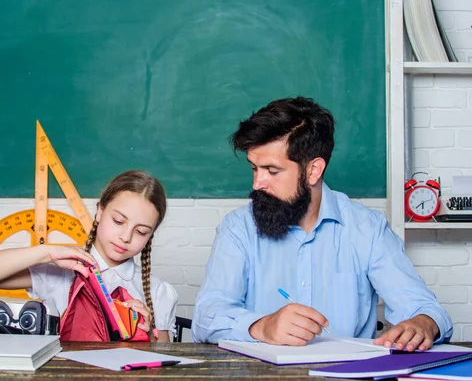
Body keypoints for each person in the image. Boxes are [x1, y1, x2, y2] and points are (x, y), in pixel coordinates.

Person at [192, 96, 452, 352]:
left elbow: (424, 309)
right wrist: (261, 326)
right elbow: (207, 316)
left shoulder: (367, 228)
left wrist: (422, 325)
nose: (257, 183)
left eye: (272, 171)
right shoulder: (238, 227)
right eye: (254, 168)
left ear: (314, 170)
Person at [0, 170, 178, 341]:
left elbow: (163, 362)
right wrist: (47, 252)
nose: (126, 236)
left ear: (151, 235)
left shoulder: (158, 291)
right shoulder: (61, 271)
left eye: (141, 232)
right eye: (118, 221)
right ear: (100, 211)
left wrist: (149, 334)